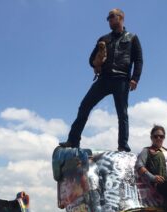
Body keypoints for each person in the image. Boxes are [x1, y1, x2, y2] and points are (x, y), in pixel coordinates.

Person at [59, 8, 143, 153]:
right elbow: (91, 60)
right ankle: (73, 140)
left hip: (121, 79)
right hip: (104, 79)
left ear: (121, 18)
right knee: (84, 106)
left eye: (112, 17)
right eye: (108, 18)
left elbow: (139, 60)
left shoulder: (132, 38)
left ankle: (123, 146)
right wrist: (96, 62)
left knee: (122, 113)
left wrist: (135, 78)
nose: (109, 20)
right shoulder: (103, 39)